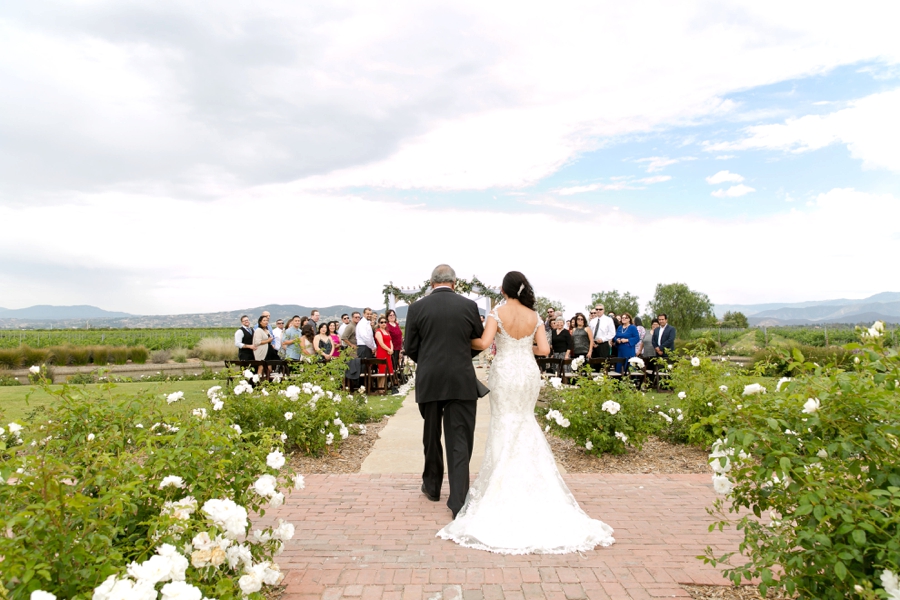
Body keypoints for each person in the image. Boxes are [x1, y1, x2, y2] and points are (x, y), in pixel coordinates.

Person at [438, 270, 614, 553]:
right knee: (524, 421)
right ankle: (534, 482)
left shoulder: (497, 312)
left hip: (506, 372)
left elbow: (483, 344)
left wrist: (460, 340)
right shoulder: (535, 316)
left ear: (505, 290)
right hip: (527, 372)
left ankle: (501, 482)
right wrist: (523, 345)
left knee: (503, 422)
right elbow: (544, 350)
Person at [403, 264, 484, 519]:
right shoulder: (469, 306)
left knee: (431, 434)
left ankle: (432, 486)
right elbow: (478, 341)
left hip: (430, 378)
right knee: (459, 439)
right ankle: (458, 500)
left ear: (431, 283)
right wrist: (460, 356)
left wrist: (428, 361)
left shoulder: (416, 308)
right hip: (461, 378)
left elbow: (410, 347)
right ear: (454, 282)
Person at [374, 316, 395, 386]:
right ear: (379, 323)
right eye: (382, 322)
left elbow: (390, 341)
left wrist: (391, 349)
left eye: (385, 322)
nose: (383, 323)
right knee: (382, 370)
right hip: (382, 353)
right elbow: (381, 344)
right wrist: (389, 349)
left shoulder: (387, 332)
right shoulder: (378, 332)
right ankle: (380, 387)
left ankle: (383, 386)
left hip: (388, 353)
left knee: (387, 370)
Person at [385, 309, 403, 376]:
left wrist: (401, 348)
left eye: (393, 315)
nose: (392, 316)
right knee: (393, 364)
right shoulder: (387, 325)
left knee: (397, 364)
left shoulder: (396, 324)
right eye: (390, 315)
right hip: (392, 348)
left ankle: (396, 378)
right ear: (387, 317)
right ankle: (392, 379)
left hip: (398, 347)